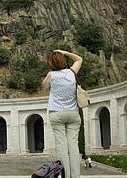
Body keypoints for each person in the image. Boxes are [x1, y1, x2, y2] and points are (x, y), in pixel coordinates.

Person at [42, 49, 83, 178]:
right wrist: (64, 53)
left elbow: (44, 87)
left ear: (51, 64)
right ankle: (75, 176)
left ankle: (65, 175)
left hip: (56, 113)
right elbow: (79, 59)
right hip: (73, 113)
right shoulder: (72, 72)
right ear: (63, 60)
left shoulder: (51, 75)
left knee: (62, 147)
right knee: (73, 146)